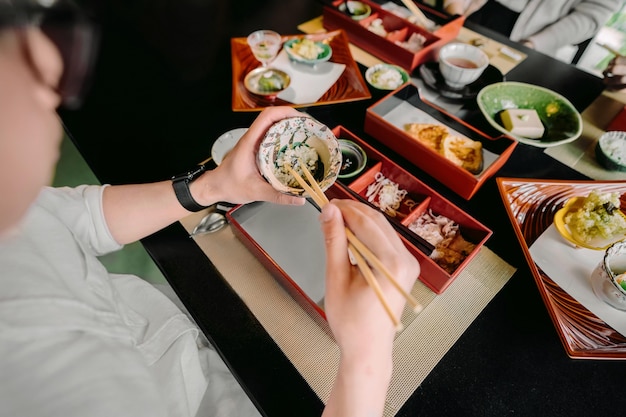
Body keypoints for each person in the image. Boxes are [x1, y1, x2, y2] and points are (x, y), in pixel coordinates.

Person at [0, 1, 420, 417]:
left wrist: (210, 186)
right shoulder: (50, 385)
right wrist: (368, 361)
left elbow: (76, 220)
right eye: (31, 78)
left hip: (175, 315)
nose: (54, 81)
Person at [443, 0, 620, 57]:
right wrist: (455, 9)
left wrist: (533, 44)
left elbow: (591, 15)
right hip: (474, 12)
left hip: (531, 40)